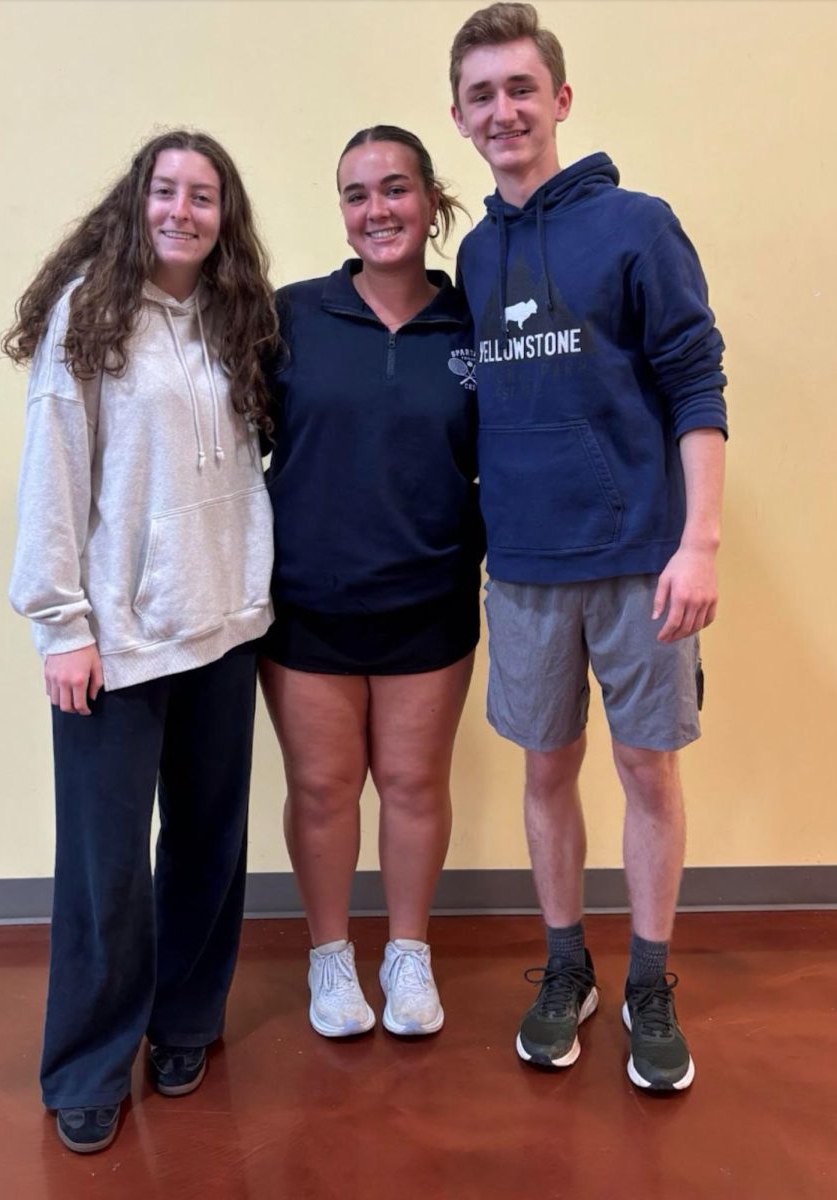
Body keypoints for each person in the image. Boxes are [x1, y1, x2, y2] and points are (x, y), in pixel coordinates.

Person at [449, 3, 727, 1090]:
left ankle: (650, 978)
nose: (504, 109)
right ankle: (568, 966)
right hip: (521, 570)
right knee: (546, 769)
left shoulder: (639, 226)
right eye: (483, 95)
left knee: (646, 769)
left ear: (559, 100)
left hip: (639, 561)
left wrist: (697, 542)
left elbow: (697, 385)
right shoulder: (474, 253)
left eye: (522, 88)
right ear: (462, 119)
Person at [5, 130, 278, 1152]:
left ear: (224, 216)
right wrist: (62, 626)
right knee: (105, 866)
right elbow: (54, 476)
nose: (182, 210)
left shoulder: (234, 316)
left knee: (209, 844)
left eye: (202, 195)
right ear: (138, 200)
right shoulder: (89, 314)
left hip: (224, 628)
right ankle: (85, 1063)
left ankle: (186, 1021)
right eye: (165, 190)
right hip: (116, 645)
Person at [261, 126, 482, 1039]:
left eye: (395, 189)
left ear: (430, 199)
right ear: (342, 212)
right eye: (357, 194)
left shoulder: (475, 321)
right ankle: (327, 958)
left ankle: (406, 952)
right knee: (320, 789)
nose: (377, 209)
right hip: (305, 601)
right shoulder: (291, 316)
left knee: (410, 783)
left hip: (428, 599)